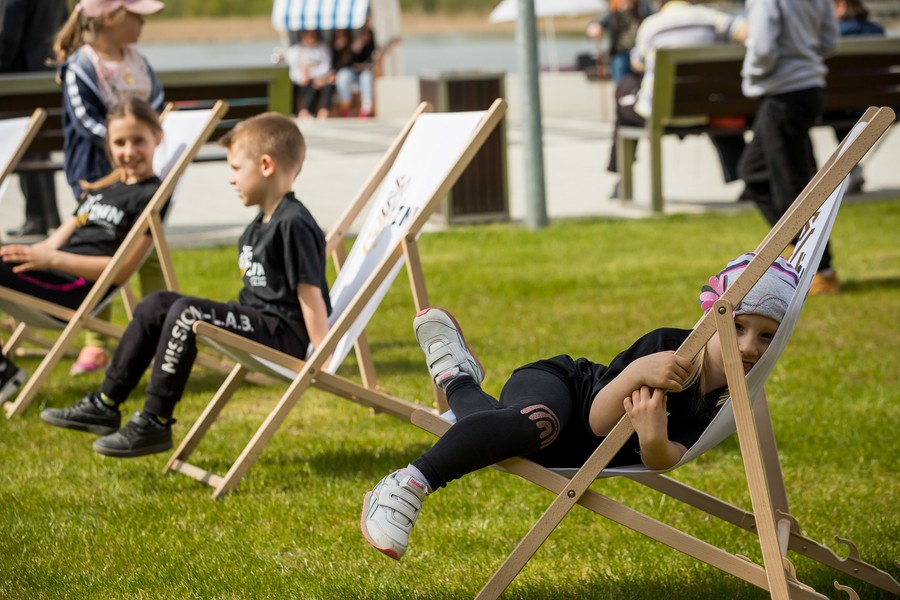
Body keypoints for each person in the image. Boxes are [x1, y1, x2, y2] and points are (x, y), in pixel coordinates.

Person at [360, 253, 799, 560]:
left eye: (765, 336)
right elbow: (596, 419)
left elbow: (668, 457)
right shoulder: (671, 347)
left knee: (515, 435)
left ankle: (457, 378)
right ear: (711, 315)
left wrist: (652, 439)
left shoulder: (727, 399)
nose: (748, 347)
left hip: (566, 447)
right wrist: (636, 373)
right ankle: (409, 483)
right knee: (538, 426)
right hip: (563, 388)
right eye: (738, 326)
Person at [40, 112, 333, 459]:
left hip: (283, 334)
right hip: (258, 321)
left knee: (185, 311)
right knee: (156, 303)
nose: (230, 179)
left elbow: (309, 291)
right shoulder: (258, 225)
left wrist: (323, 356)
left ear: (266, 165)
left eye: (236, 168)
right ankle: (106, 403)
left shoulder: (294, 223)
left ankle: (155, 420)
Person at [0, 98, 164, 406]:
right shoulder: (104, 189)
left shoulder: (151, 196)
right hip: (51, 270)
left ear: (158, 137)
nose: (128, 152)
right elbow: (55, 239)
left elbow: (123, 269)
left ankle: (2, 373)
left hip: (75, 287)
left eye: (138, 141)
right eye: (119, 142)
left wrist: (53, 259)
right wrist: (28, 253)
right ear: (108, 145)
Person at [52, 0, 167, 374]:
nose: (142, 23)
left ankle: (159, 330)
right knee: (99, 246)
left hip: (142, 181)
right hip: (96, 177)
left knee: (149, 253)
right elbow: (85, 120)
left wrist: (144, 144)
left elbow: (158, 106)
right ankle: (96, 340)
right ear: (109, 18)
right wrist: (127, 145)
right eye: (136, 15)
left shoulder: (138, 60)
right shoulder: (82, 66)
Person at [737, 0, 840, 295]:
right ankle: (801, 252)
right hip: (808, 89)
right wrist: (803, 58)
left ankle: (821, 270)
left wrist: (753, 75)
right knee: (754, 171)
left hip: (782, 92)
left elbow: (764, 48)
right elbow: (830, 41)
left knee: (790, 185)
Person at [605, 0, 748, 197]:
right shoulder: (712, 18)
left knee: (625, 89)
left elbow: (638, 64)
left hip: (661, 115)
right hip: (708, 110)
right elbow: (746, 32)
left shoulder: (652, 25)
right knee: (713, 97)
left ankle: (622, 177)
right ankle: (744, 176)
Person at [0, 0, 67, 238]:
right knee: (38, 150)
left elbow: (5, 39)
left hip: (18, 84)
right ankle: (48, 215)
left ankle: (37, 218)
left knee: (25, 149)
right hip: (48, 78)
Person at [828, 0, 885, 194]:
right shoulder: (878, 31)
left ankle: (813, 173)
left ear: (841, 6)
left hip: (840, 106)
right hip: (879, 104)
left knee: (833, 108)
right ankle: (854, 168)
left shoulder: (834, 34)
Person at [586, 0, 654, 84]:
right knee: (621, 79)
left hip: (640, 52)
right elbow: (598, 22)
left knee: (644, 82)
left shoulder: (644, 7)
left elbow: (657, 18)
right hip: (620, 53)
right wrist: (595, 27)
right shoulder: (613, 9)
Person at [286, 29, 335, 120]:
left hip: (320, 78)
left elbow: (326, 66)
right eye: (309, 35)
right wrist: (304, 76)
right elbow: (293, 70)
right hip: (302, 80)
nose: (312, 38)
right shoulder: (295, 50)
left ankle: (323, 111)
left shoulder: (322, 48)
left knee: (326, 84)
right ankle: (304, 111)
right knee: (310, 85)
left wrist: (312, 74)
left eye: (313, 35)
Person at [334, 24, 377, 118]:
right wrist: (353, 51)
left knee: (366, 77)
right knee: (343, 76)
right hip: (351, 71)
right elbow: (341, 65)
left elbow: (374, 61)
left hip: (365, 72)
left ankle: (366, 109)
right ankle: (345, 107)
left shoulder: (372, 44)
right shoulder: (346, 44)